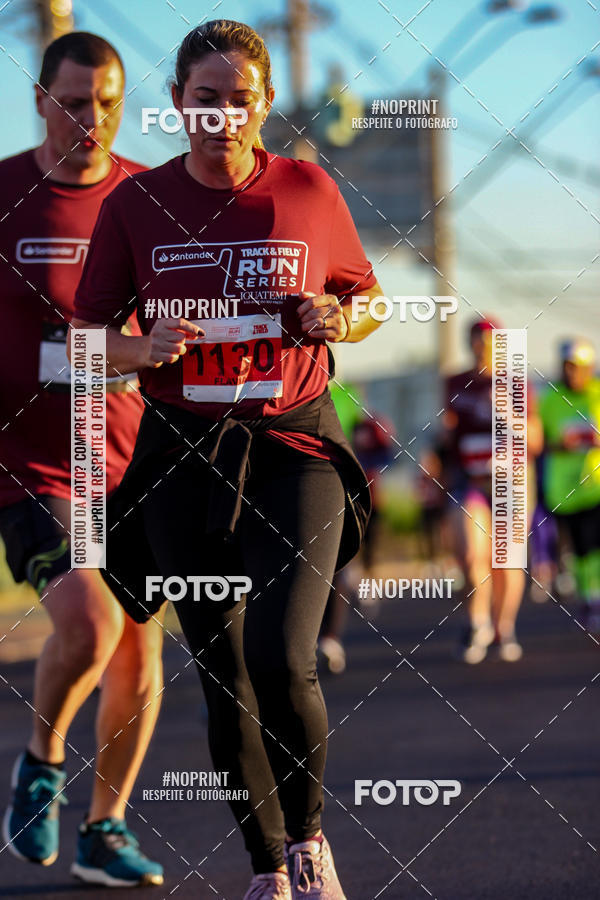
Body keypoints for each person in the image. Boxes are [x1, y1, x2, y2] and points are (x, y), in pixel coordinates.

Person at [70, 19, 384, 900]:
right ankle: (266, 866)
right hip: (182, 459)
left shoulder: (308, 188)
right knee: (224, 673)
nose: (221, 114)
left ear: (264, 104)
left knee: (287, 656)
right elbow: (82, 345)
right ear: (177, 106)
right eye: (203, 99)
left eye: (238, 98)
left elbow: (369, 301)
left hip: (294, 445)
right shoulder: (132, 207)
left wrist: (338, 317)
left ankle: (311, 843)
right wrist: (141, 350)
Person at [0, 33, 164, 887]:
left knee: (138, 652)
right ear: (39, 98)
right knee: (92, 624)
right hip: (31, 463)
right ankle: (39, 764)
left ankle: (105, 829)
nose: (90, 118)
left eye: (106, 101)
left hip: (130, 460)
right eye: (73, 100)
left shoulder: (147, 198)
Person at [442, 318, 542, 663]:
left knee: (507, 565)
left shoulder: (517, 383)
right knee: (472, 555)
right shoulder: (455, 381)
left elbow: (537, 440)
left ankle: (504, 627)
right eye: (476, 340)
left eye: (489, 341)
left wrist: (510, 417)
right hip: (470, 481)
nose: (482, 347)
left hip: (511, 483)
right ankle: (477, 623)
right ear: (469, 343)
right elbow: (447, 436)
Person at [538, 339, 600, 631]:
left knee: (595, 544)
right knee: (581, 548)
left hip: (597, 485)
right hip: (567, 490)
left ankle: (595, 597)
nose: (573, 373)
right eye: (568, 367)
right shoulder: (550, 400)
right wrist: (559, 443)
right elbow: (539, 443)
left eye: (579, 367)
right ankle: (589, 598)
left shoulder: (598, 394)